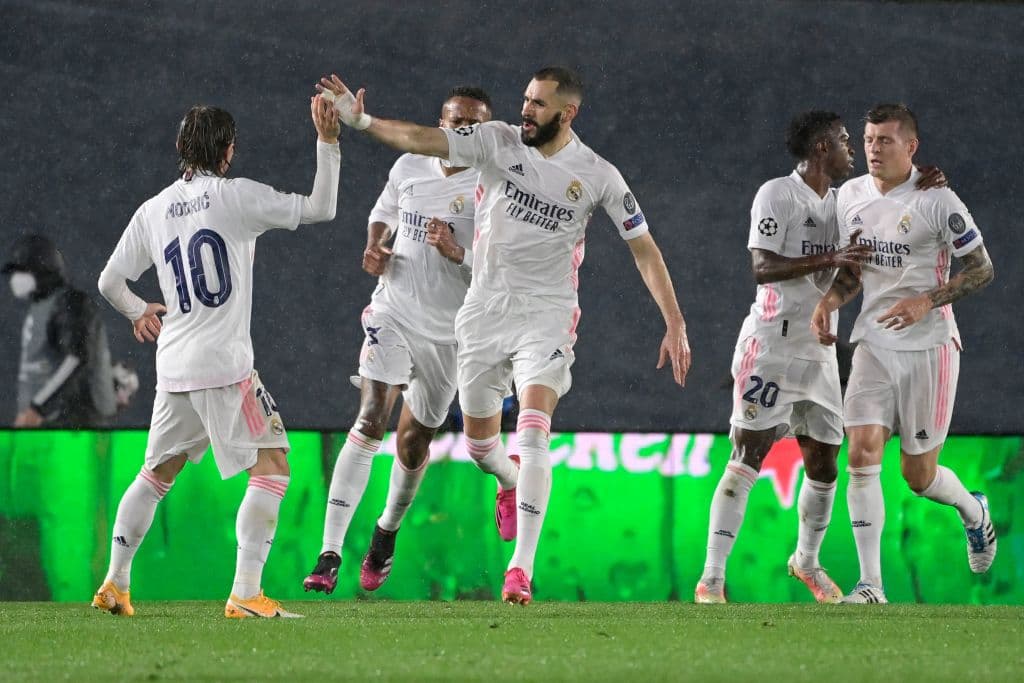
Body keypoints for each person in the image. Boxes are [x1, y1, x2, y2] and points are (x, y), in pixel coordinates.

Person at [319, 65, 691, 604]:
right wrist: (362, 121)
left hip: (547, 314)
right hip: (482, 312)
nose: (526, 111)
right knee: (479, 445)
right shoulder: (496, 143)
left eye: (538, 104)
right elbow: (424, 139)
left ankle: (520, 571)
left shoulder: (598, 175)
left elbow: (644, 248)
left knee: (534, 429)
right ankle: (508, 479)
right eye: (525, 99)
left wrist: (674, 321)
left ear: (568, 113)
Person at [91, 95, 342, 618]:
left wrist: (139, 310)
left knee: (155, 475)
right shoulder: (237, 197)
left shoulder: (153, 209)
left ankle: (115, 584)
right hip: (227, 369)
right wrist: (328, 141)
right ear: (228, 152)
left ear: (181, 146)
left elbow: (109, 282)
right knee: (273, 465)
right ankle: (246, 592)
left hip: (175, 368)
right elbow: (322, 207)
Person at [694, 112, 947, 605]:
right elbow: (762, 267)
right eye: (845, 140)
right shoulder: (776, 195)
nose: (853, 148)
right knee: (749, 451)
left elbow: (885, 203)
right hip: (770, 342)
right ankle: (712, 577)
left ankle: (806, 562)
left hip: (820, 349)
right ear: (820, 147)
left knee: (825, 462)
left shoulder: (845, 200)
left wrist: (927, 180)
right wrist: (828, 260)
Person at [302, 86, 492, 595]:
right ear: (441, 122)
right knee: (370, 415)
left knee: (412, 442)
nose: (463, 132)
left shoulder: (494, 185)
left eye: (474, 126)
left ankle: (385, 533)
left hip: (450, 335)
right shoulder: (410, 166)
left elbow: (502, 271)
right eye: (456, 122)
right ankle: (329, 552)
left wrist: (459, 253)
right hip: (394, 311)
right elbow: (382, 216)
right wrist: (373, 248)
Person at [812, 103, 996, 604]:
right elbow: (855, 268)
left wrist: (925, 300)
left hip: (929, 348)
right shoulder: (850, 196)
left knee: (919, 477)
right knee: (861, 452)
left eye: (885, 140)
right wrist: (830, 301)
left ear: (910, 147)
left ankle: (973, 510)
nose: (873, 149)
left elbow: (982, 269)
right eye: (869, 140)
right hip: (872, 342)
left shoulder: (940, 201)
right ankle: (871, 585)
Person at [4, 234, 117, 428]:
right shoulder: (41, 306)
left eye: (22, 271)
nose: (15, 279)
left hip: (73, 426)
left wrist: (38, 408)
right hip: (45, 424)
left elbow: (77, 360)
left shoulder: (70, 304)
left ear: (42, 271)